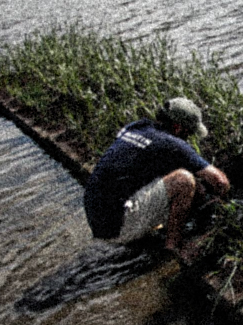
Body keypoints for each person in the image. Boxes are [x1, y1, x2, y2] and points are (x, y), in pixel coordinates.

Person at [82, 97, 229, 255]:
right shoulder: (171, 143)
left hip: (96, 217)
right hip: (116, 228)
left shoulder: (137, 127)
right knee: (183, 180)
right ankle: (173, 246)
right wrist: (222, 204)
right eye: (188, 133)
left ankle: (146, 227)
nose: (188, 139)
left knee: (190, 185)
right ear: (177, 128)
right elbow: (220, 182)